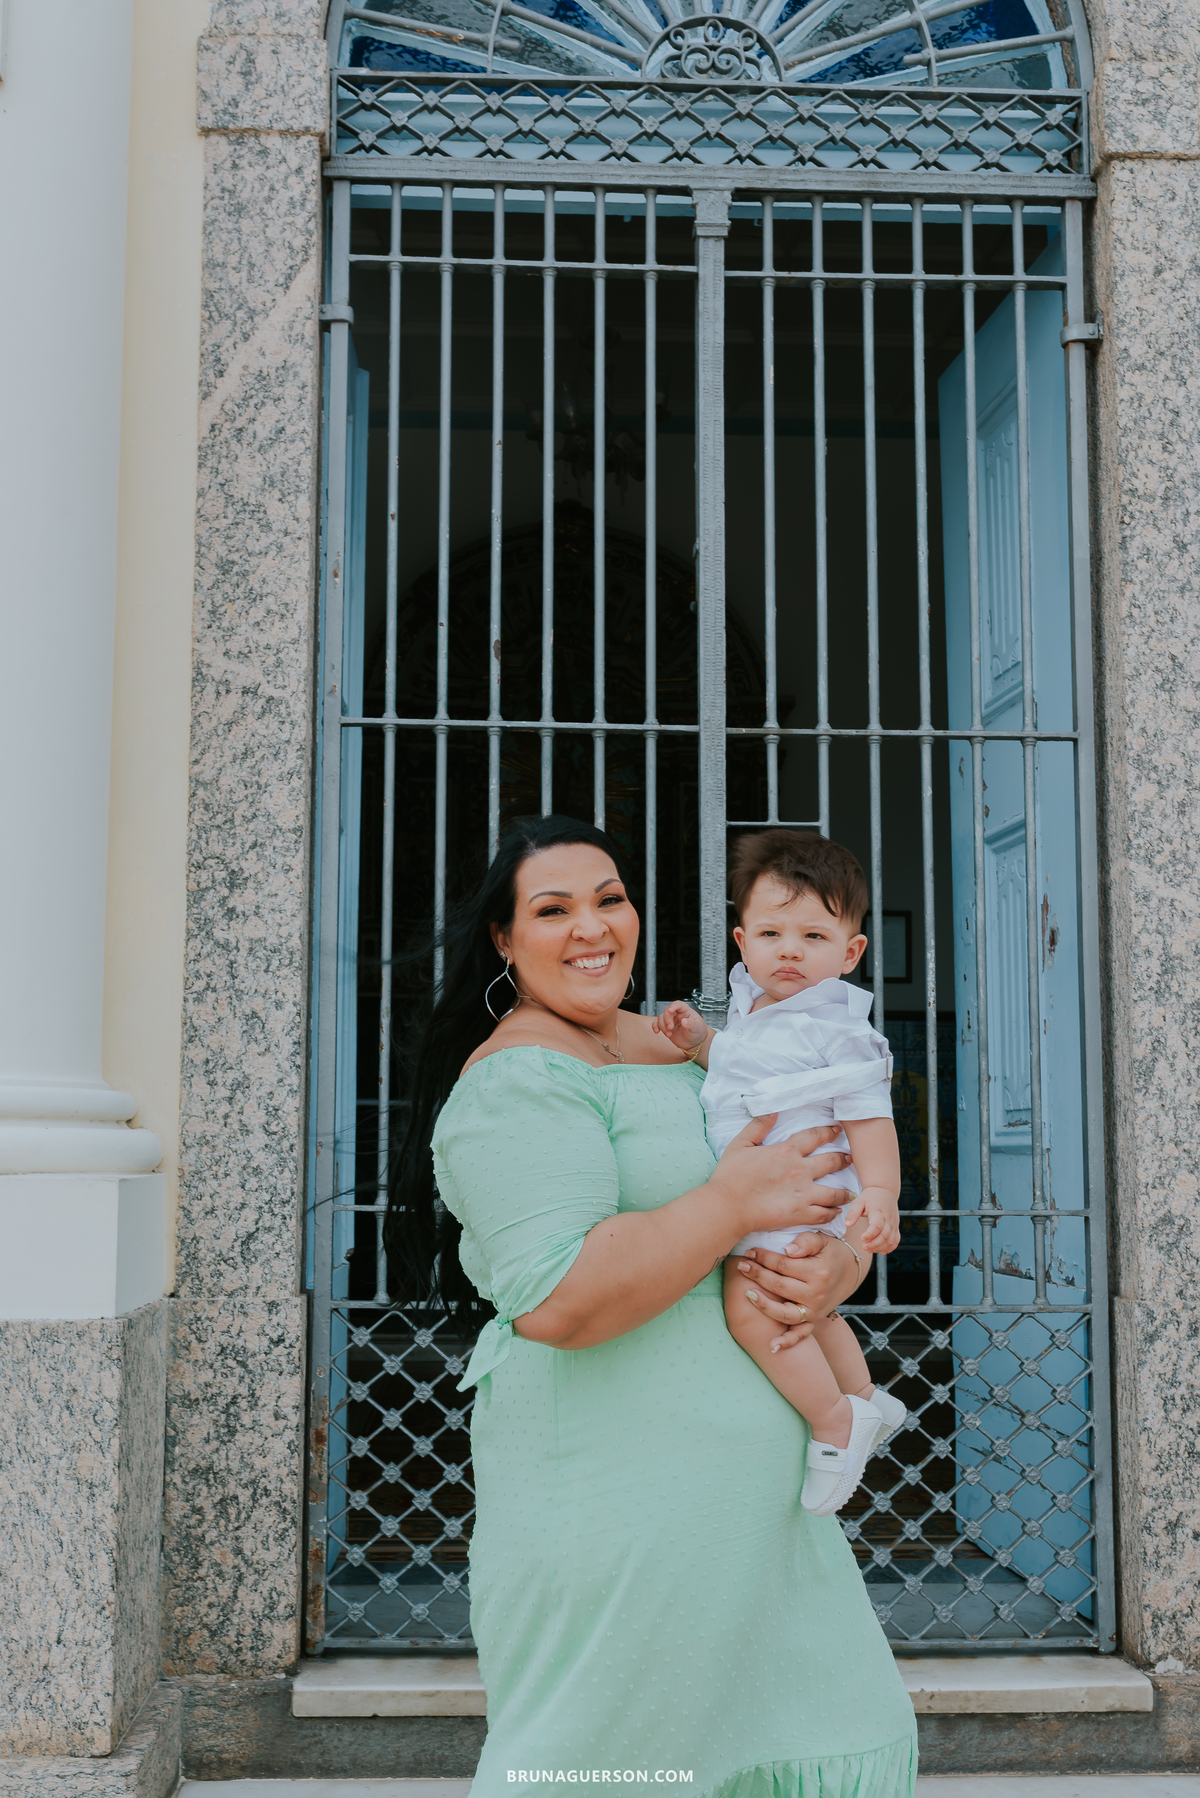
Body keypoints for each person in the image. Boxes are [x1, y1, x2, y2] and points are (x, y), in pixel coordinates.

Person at [386, 815, 918, 1798]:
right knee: (612, 1762)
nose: (593, 928)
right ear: (503, 939)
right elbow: (559, 1296)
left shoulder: (685, 1043)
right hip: (622, 1510)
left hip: (754, 1519)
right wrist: (730, 1206)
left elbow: (808, 1163)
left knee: (819, 1727)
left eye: (610, 898)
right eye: (553, 910)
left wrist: (837, 1264)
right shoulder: (517, 1081)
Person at [655, 829, 906, 1518]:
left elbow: (870, 1119)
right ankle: (864, 1401)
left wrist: (880, 1195)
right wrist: (701, 1044)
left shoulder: (839, 1027)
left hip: (798, 1195)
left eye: (813, 936)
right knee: (811, 1308)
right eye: (771, 933)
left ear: (851, 952)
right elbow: (742, 1075)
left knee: (753, 1306)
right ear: (742, 943)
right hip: (767, 1191)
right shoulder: (755, 1008)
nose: (789, 949)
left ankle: (833, 1421)